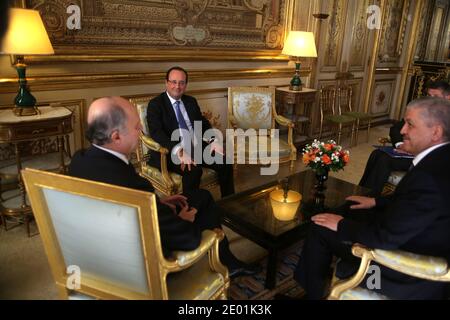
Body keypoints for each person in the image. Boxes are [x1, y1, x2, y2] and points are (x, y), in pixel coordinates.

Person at [68, 96, 259, 278]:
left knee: (200, 195)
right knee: (203, 202)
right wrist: (184, 220)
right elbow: (187, 238)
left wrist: (157, 202)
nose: (141, 129)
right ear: (116, 136)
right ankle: (227, 265)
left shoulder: (79, 160)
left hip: (111, 239)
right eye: (136, 126)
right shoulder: (135, 186)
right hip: (147, 259)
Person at [294, 97, 450, 299]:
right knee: (349, 207)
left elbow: (385, 238)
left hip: (404, 270)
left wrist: (341, 225)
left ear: (435, 132)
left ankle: (312, 295)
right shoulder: (441, 157)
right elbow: (417, 203)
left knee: (320, 227)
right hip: (413, 233)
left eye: (410, 124)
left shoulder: (429, 178)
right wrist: (376, 201)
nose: (402, 131)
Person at [146, 66, 234, 197]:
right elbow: (157, 133)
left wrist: (213, 140)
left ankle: (230, 203)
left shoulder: (191, 101)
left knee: (225, 162)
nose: (177, 86)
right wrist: (179, 151)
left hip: (195, 146)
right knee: (193, 170)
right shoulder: (155, 104)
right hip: (170, 151)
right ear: (166, 83)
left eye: (181, 82)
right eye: (173, 82)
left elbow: (202, 123)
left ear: (186, 85)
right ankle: (189, 211)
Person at [359, 80, 450, 195]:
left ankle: (371, 197)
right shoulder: (422, 111)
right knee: (377, 154)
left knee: (384, 160)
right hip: (407, 150)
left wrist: (415, 149)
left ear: (448, 97)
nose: (431, 99)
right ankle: (361, 192)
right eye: (429, 95)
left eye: (435, 96)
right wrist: (400, 145)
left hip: (427, 160)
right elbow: (396, 129)